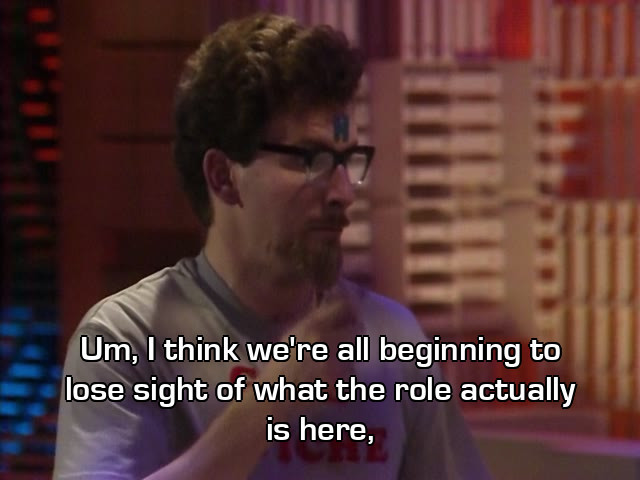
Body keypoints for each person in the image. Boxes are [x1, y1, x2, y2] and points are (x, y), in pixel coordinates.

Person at [53, 13, 491, 480]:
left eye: (348, 161)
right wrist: (270, 402)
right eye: (313, 161)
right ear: (223, 177)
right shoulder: (125, 339)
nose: (344, 192)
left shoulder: (393, 338)